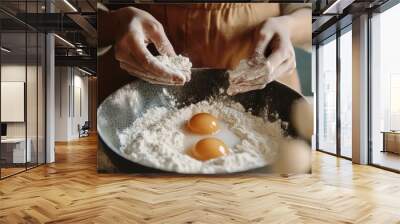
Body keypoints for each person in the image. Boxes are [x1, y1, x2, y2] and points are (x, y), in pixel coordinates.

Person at [98, 3, 311, 94]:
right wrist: (116, 23)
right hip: (135, 89)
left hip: (264, 86)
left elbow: (313, 16)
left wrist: (289, 26)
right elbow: (81, 17)